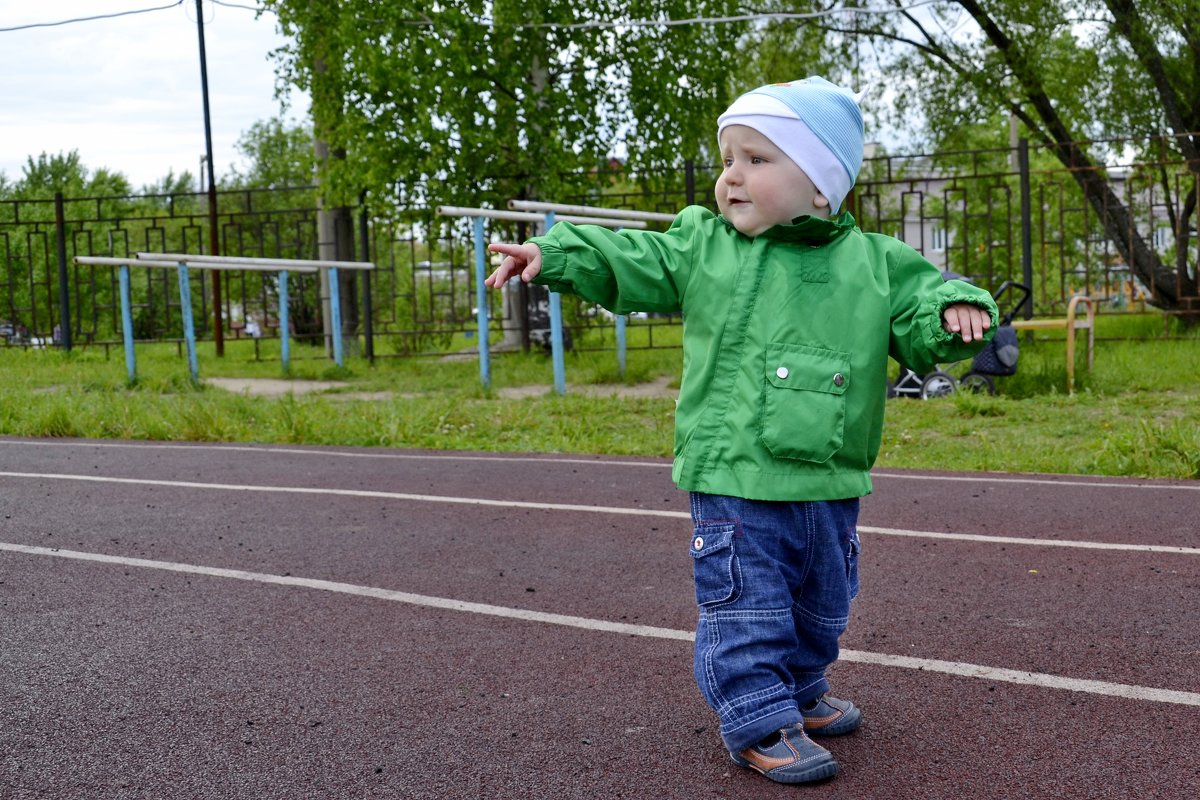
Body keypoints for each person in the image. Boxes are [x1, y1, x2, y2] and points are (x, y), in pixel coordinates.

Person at [485, 76, 997, 785]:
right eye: (729, 158)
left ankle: (802, 687)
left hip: (828, 473)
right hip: (734, 474)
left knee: (824, 599)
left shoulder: (875, 263)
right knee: (747, 602)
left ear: (821, 185)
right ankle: (758, 716)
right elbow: (638, 260)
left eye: (757, 159)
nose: (732, 176)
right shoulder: (706, 245)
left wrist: (953, 311)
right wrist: (561, 255)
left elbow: (920, 305)